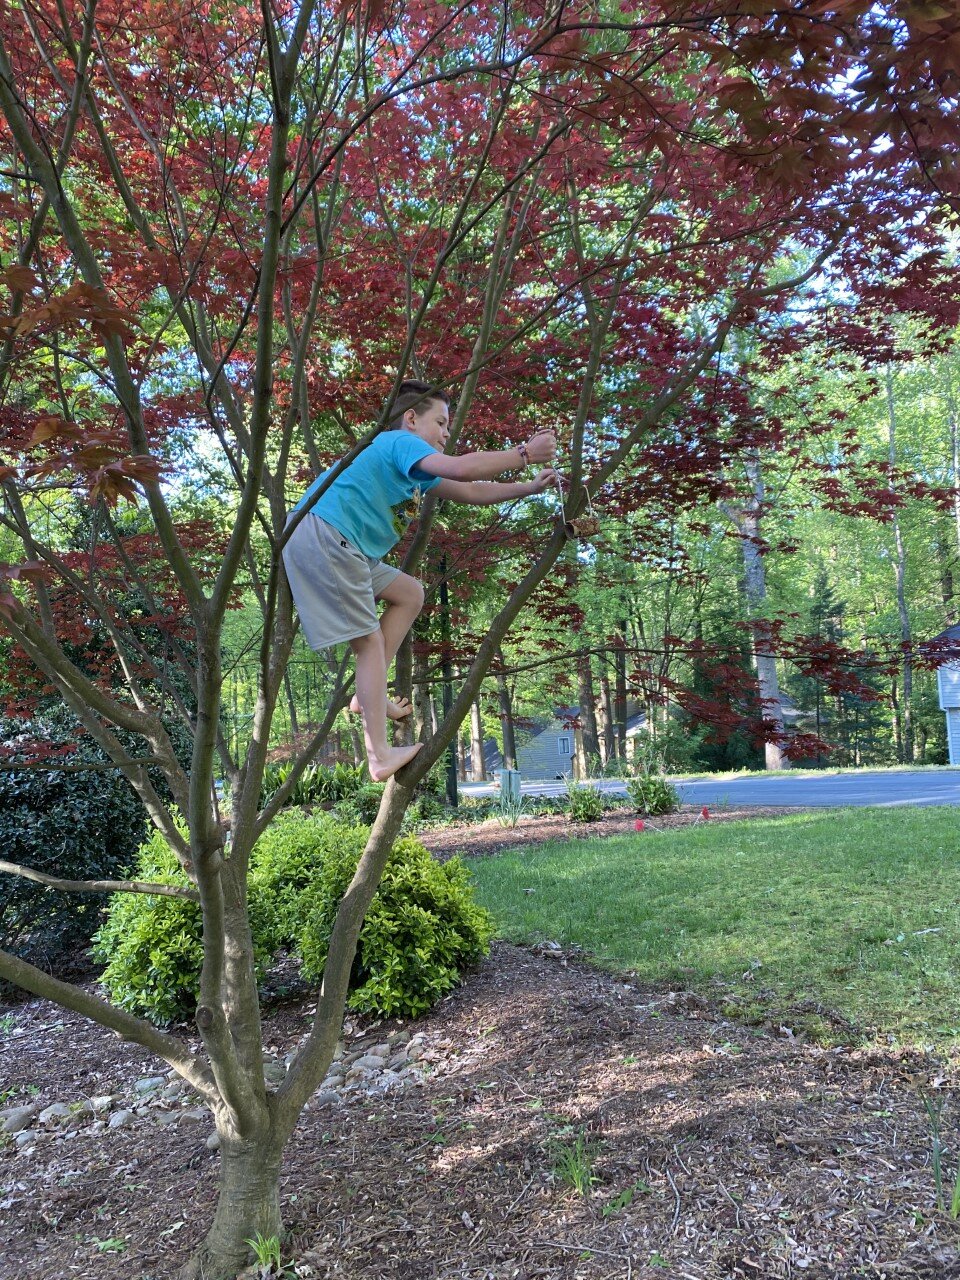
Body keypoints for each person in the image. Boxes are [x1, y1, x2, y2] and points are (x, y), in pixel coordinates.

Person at [283, 380, 558, 781]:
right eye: (441, 422)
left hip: (346, 546)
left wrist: (529, 487)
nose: (447, 433)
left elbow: (470, 489)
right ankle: (379, 756)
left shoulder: (413, 465)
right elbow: (463, 467)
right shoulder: (400, 442)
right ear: (411, 419)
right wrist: (524, 454)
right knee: (368, 643)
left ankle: (367, 695)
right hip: (326, 535)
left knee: (410, 592)